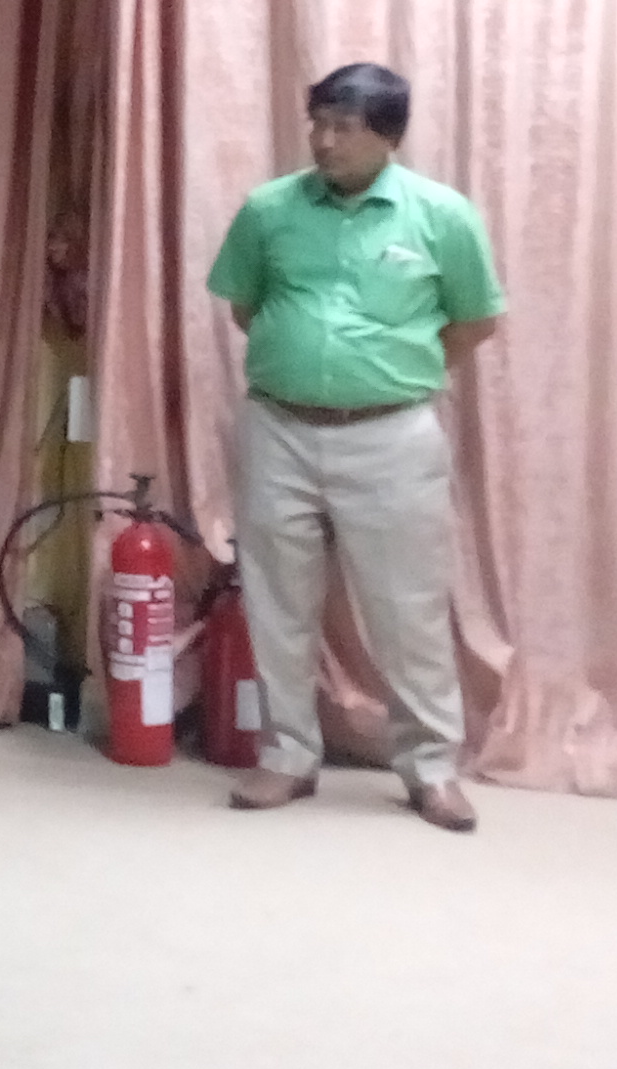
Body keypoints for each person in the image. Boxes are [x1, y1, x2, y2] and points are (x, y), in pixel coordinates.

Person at [204, 62, 505, 830]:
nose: (324, 140)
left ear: (388, 136)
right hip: (279, 429)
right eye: (319, 123)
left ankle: (431, 768)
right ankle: (288, 756)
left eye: (343, 127)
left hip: (392, 436)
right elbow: (246, 307)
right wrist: (306, 361)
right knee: (277, 601)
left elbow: (475, 322)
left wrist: (385, 375)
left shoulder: (443, 216)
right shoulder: (268, 210)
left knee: (407, 609)